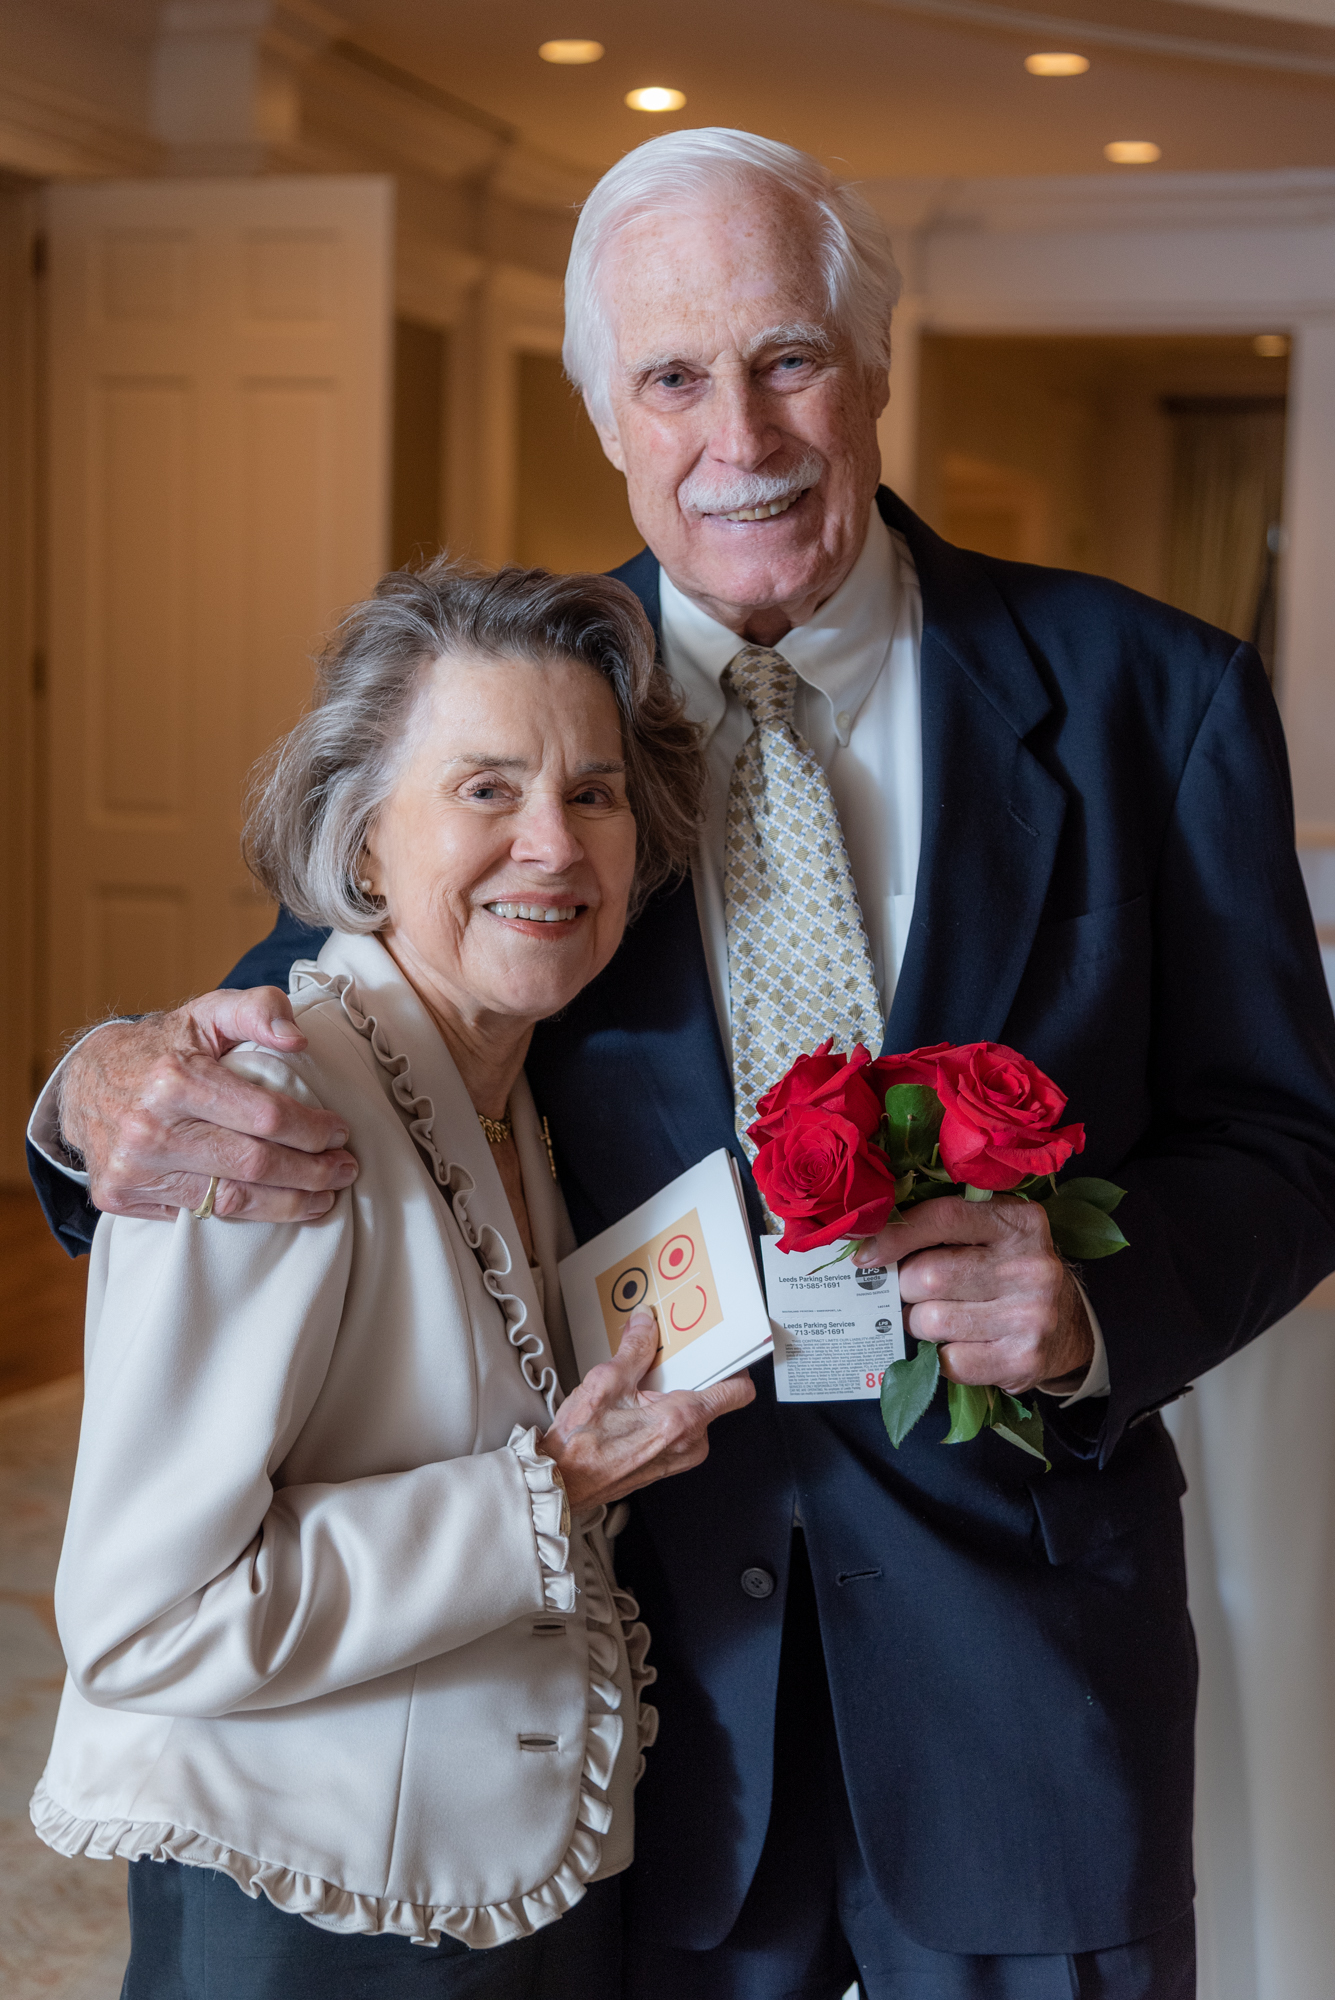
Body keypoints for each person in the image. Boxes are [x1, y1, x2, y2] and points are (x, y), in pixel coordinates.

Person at [29, 129, 1335, 1998]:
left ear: (877, 366)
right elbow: (287, 1013)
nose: (743, 430)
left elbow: (1288, 1138)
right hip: (632, 1693)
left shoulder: (1157, 697)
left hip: (1024, 1672)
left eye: (790, 357)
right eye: (671, 375)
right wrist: (89, 1091)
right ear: (605, 413)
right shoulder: (528, 710)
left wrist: (1088, 1304)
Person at [30, 559, 753, 1999]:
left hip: (497, 1892)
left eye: (593, 794)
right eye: (486, 789)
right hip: (304, 1928)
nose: (553, 845)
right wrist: (549, 1492)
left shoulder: (521, 1096)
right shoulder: (261, 1112)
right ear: (362, 849)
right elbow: (142, 1616)